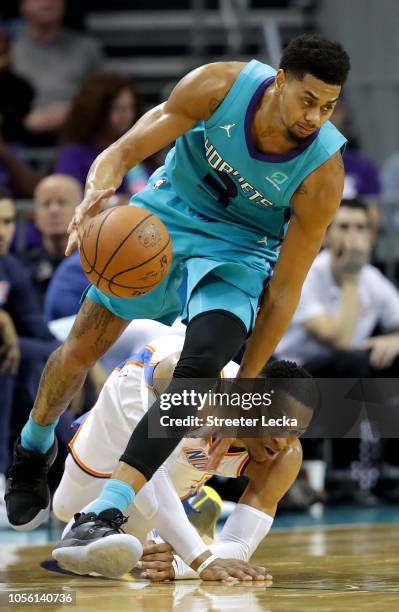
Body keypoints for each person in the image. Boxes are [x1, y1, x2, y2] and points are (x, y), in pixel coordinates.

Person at [5, 34, 350, 538]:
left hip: (239, 250)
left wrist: (244, 392)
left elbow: (284, 290)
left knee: (205, 358)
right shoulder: (218, 87)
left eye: (329, 107)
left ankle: (109, 509)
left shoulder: (322, 172)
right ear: (280, 81)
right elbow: (121, 152)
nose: (315, 117)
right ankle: (32, 451)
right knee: (80, 349)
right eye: (308, 100)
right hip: (165, 217)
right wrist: (97, 194)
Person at [51, 332, 314, 580]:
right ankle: (188, 510)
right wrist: (201, 559)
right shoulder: (197, 391)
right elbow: (145, 467)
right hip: (117, 429)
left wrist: (176, 566)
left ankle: (185, 512)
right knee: (66, 510)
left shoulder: (285, 456)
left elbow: (238, 545)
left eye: (295, 430)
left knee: (112, 549)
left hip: (166, 475)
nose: (282, 440)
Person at [0, 194, 59, 522]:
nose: (1, 231)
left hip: (16, 357)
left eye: (7, 222)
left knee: (54, 365)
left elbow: (40, 332)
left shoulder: (9, 265)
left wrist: (80, 365)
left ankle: (56, 480)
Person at [55, 72, 160, 197]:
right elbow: (70, 201)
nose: (126, 115)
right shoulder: (74, 156)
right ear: (96, 111)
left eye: (130, 108)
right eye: (117, 108)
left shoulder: (142, 152)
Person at [11, 0, 103, 141]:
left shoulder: (87, 48)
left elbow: (104, 94)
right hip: (16, 138)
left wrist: (72, 112)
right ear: (22, 5)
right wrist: (22, 119)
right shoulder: (7, 50)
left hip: (79, 134)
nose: (48, 2)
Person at [22, 174, 82, 302]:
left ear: (82, 211)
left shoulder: (98, 266)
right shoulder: (21, 268)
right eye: (46, 204)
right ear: (35, 215)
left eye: (62, 202)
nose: (54, 210)